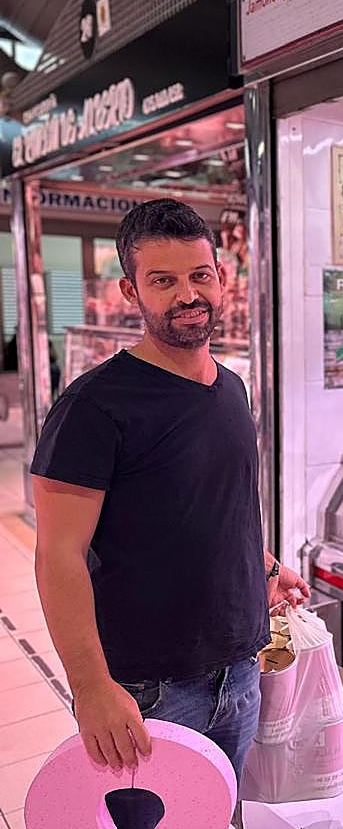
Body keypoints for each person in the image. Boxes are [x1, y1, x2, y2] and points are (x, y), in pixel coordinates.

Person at [30, 199, 309, 784]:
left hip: (240, 669)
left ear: (222, 279)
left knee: (220, 814)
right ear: (132, 292)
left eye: (199, 275)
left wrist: (264, 568)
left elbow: (208, 512)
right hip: (147, 688)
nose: (188, 295)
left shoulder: (232, 389)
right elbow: (59, 555)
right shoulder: (93, 406)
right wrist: (91, 688)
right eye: (164, 281)